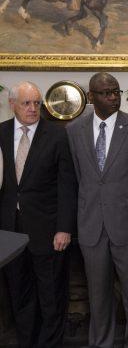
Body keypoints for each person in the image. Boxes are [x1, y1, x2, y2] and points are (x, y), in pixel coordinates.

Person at [66, 72, 128, 348]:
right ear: (91, 97)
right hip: (91, 225)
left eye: (116, 92)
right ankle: (100, 343)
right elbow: (78, 177)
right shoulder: (73, 130)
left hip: (126, 225)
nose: (113, 97)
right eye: (106, 93)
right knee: (98, 294)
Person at [0, 81, 77, 348]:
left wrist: (64, 228)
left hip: (48, 230)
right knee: (19, 294)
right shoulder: (1, 132)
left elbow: (67, 185)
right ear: (12, 105)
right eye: (26, 103)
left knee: (50, 296)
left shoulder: (56, 135)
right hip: (9, 231)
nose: (33, 108)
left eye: (36, 103)